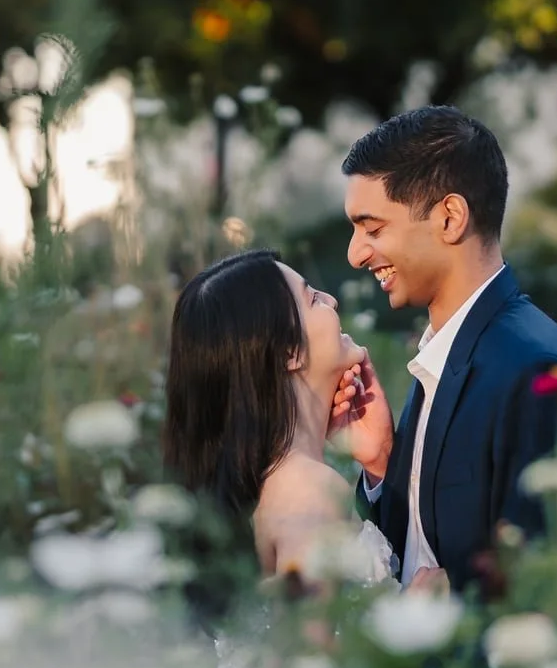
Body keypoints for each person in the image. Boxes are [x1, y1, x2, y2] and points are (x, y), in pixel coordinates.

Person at [331, 105, 557, 595]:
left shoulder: (531, 366)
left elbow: (554, 568)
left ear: (450, 218)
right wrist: (381, 465)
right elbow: (417, 547)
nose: (355, 254)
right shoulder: (449, 345)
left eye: (372, 229)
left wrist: (455, 593)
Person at [162, 249, 400, 588]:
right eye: (313, 298)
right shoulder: (309, 490)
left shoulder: (271, 487)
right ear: (290, 350)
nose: (332, 301)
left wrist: (379, 459)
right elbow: (312, 639)